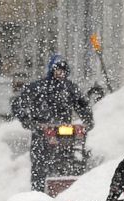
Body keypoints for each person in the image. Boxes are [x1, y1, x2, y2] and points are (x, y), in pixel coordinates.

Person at [10, 55, 95, 192]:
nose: (60, 73)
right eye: (57, 69)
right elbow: (18, 104)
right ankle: (38, 194)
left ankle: (70, 190)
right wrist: (28, 121)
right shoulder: (37, 87)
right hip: (41, 133)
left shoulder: (69, 88)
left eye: (63, 70)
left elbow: (82, 105)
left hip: (64, 134)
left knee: (71, 160)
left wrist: (88, 120)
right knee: (40, 165)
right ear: (51, 70)